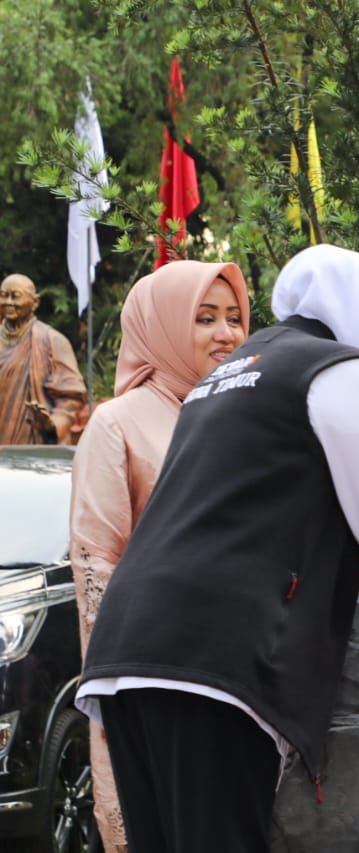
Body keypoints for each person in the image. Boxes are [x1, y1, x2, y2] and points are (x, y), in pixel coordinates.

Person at [75, 245, 359, 853]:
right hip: (213, 662)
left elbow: (310, 546)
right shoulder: (343, 370)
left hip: (131, 652)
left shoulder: (228, 373)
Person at [70, 260, 250, 851]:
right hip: (150, 678)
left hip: (239, 676)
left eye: (234, 319)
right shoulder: (117, 424)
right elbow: (97, 561)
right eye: (204, 319)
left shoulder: (243, 417)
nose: (226, 333)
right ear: (164, 327)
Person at [0, 273, 87, 444]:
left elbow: (72, 396)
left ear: (35, 302)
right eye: (3, 295)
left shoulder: (52, 341)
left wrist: (52, 423)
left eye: (15, 296)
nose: (8, 302)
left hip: (32, 443)